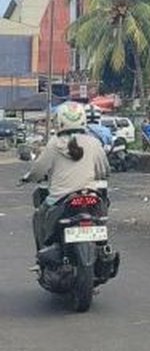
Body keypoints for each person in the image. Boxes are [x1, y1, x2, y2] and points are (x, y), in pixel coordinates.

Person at [23, 101, 110, 250]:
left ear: (59, 120)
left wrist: (28, 178)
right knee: (102, 210)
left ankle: (42, 254)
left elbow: (38, 170)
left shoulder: (54, 144)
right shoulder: (94, 143)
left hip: (60, 199)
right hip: (91, 196)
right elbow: (104, 171)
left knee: (39, 216)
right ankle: (103, 249)